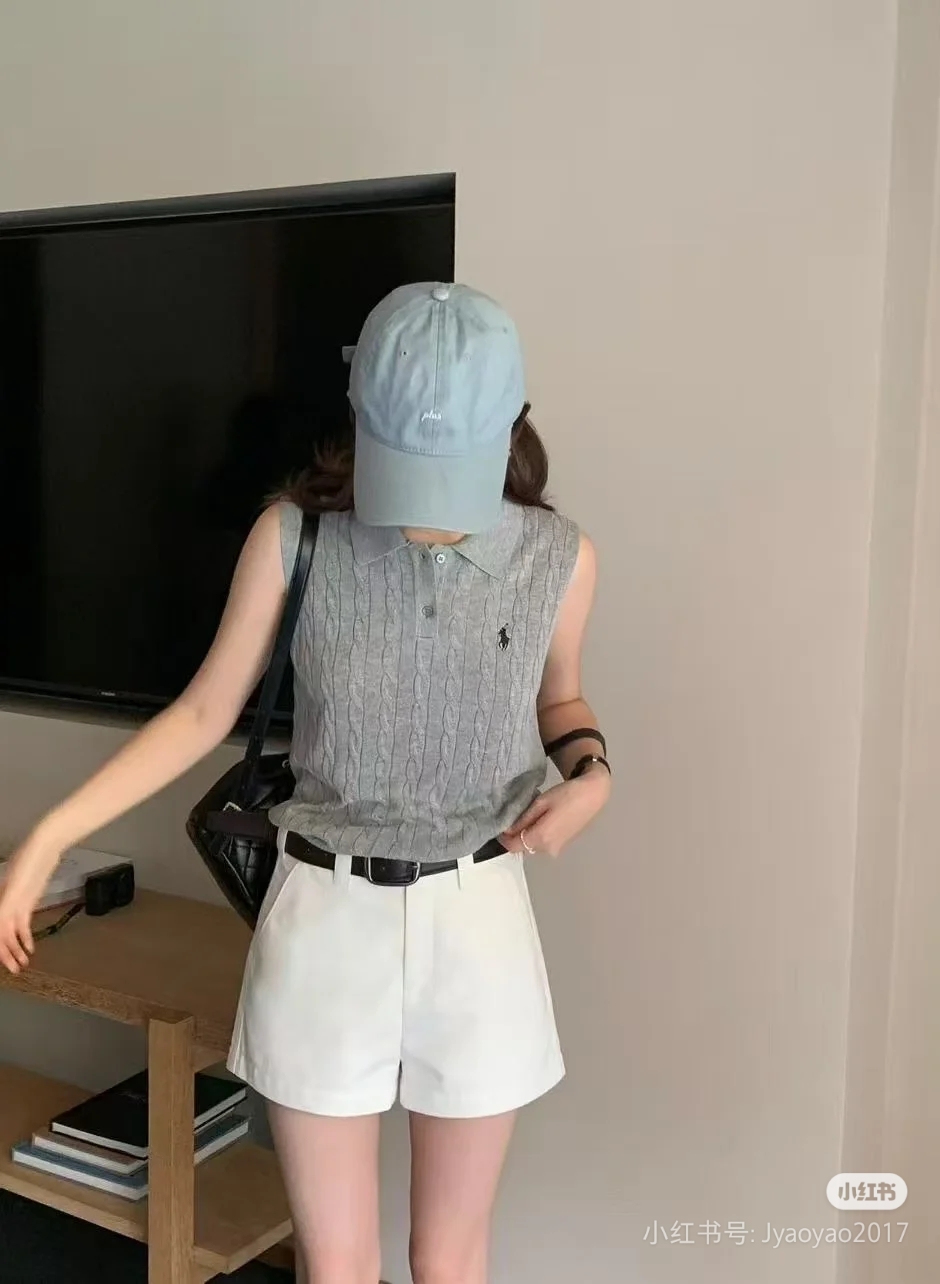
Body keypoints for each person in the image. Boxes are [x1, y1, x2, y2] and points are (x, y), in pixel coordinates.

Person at [0, 282, 610, 1284]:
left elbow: (562, 702)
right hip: (326, 915)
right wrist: (50, 836)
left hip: (480, 913)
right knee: (335, 1266)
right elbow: (203, 713)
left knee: (452, 1259)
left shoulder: (559, 556)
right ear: (359, 413)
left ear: (511, 422)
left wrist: (593, 775)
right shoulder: (294, 538)